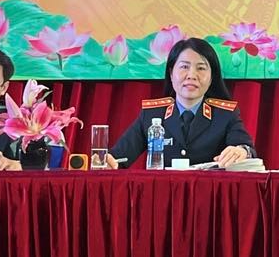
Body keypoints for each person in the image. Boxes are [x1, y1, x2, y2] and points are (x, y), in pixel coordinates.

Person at [108, 37, 256, 169]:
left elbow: (246, 148)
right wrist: (107, 161)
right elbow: (118, 158)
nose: (191, 75)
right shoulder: (152, 114)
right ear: (171, 73)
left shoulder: (225, 114)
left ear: (212, 77)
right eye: (184, 67)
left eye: (201, 68)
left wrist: (241, 151)